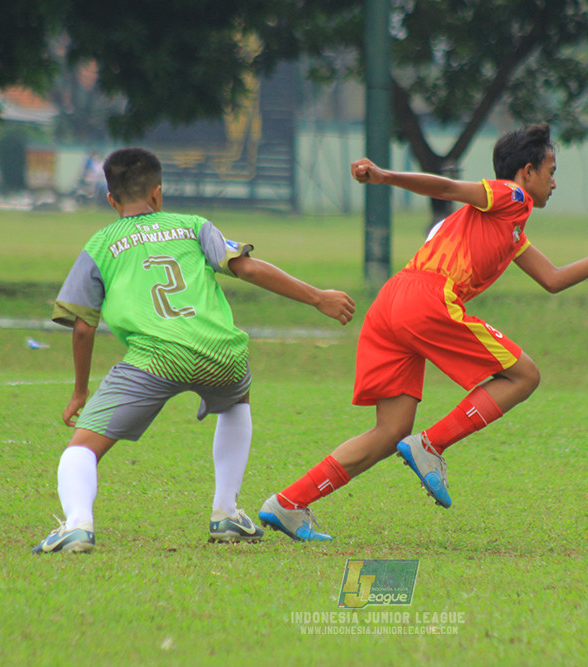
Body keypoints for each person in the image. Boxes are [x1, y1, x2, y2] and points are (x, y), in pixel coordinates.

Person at [257, 123, 588, 541]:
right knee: (524, 375)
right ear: (527, 172)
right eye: (551, 171)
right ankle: (431, 445)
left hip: (390, 303)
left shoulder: (509, 228)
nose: (554, 182)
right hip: (427, 298)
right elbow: (450, 187)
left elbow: (554, 278)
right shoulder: (512, 196)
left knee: (390, 432)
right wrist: (385, 177)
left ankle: (290, 503)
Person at [33, 147, 356, 553]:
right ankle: (225, 513)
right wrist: (317, 297)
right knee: (237, 401)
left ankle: (77, 525)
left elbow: (83, 327)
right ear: (158, 194)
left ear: (111, 199)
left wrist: (80, 391)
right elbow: (249, 268)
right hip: (220, 351)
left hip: (154, 357)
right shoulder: (192, 226)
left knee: (83, 446)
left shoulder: (99, 245)